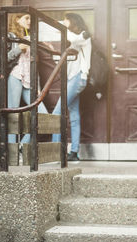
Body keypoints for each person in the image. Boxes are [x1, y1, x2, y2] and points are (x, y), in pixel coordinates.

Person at [52, 13, 91, 161]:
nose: (64, 21)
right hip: (71, 79)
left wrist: (60, 28)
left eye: (66, 19)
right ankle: (74, 152)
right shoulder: (69, 39)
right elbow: (60, 61)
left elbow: (75, 41)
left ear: (72, 21)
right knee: (74, 116)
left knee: (57, 112)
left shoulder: (83, 36)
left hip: (78, 78)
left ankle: (55, 150)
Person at [7, 13, 48, 144]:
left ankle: (22, 145)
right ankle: (11, 152)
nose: (29, 21)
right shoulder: (10, 36)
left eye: (31, 18)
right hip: (15, 76)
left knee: (43, 115)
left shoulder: (31, 37)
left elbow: (34, 66)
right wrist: (18, 49)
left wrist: (38, 87)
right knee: (12, 114)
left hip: (30, 81)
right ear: (17, 19)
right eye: (26, 18)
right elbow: (4, 58)